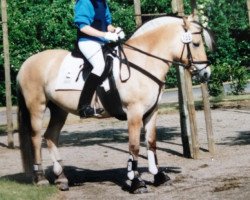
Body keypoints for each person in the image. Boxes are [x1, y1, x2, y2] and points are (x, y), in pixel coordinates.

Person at [74, 0, 122, 118]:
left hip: (102, 42)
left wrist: (116, 30)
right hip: (87, 41)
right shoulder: (85, 2)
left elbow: (107, 24)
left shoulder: (102, 2)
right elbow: (83, 27)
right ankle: (83, 106)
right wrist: (105, 35)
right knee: (99, 66)